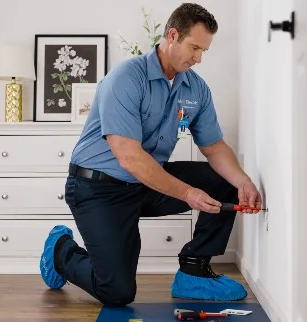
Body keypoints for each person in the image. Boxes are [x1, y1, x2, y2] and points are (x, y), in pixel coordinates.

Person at [39, 3, 262, 307]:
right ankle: (60, 251)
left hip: (144, 184)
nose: (198, 58)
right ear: (173, 35)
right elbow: (129, 157)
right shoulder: (127, 78)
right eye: (194, 47)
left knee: (224, 182)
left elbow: (214, 147)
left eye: (204, 51)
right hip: (97, 187)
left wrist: (244, 182)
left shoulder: (196, 88)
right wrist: (187, 193)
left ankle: (194, 271)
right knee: (116, 292)